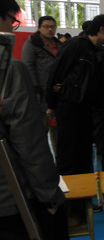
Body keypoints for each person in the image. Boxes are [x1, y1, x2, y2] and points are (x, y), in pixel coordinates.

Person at [0, 0, 71, 240]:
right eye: (11, 21)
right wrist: (50, 196)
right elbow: (28, 142)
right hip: (12, 201)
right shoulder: (9, 67)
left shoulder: (56, 47)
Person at [46, 14, 104, 176]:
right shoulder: (76, 45)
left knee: (84, 152)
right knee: (69, 151)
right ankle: (67, 188)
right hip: (69, 106)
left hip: (86, 109)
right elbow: (56, 72)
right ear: (101, 29)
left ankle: (84, 186)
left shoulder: (98, 51)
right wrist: (51, 103)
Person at [21, 15, 63, 155]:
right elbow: (28, 67)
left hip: (57, 93)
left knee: (57, 131)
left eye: (52, 27)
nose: (50, 29)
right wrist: (35, 89)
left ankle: (59, 159)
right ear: (39, 28)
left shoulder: (59, 44)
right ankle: (41, 160)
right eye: (46, 26)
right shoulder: (32, 43)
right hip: (40, 93)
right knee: (40, 129)